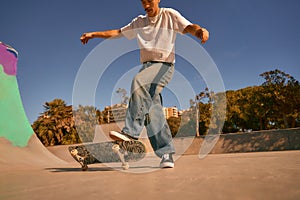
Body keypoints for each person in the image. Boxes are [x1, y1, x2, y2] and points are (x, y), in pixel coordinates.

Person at [80, 0, 209, 168]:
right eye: (143, 2)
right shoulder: (139, 22)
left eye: (149, 1)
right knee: (151, 111)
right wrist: (93, 34)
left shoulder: (169, 15)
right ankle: (167, 153)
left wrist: (199, 30)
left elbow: (189, 26)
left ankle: (130, 134)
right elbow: (117, 32)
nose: (147, 6)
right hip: (147, 66)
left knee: (139, 81)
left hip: (164, 65)